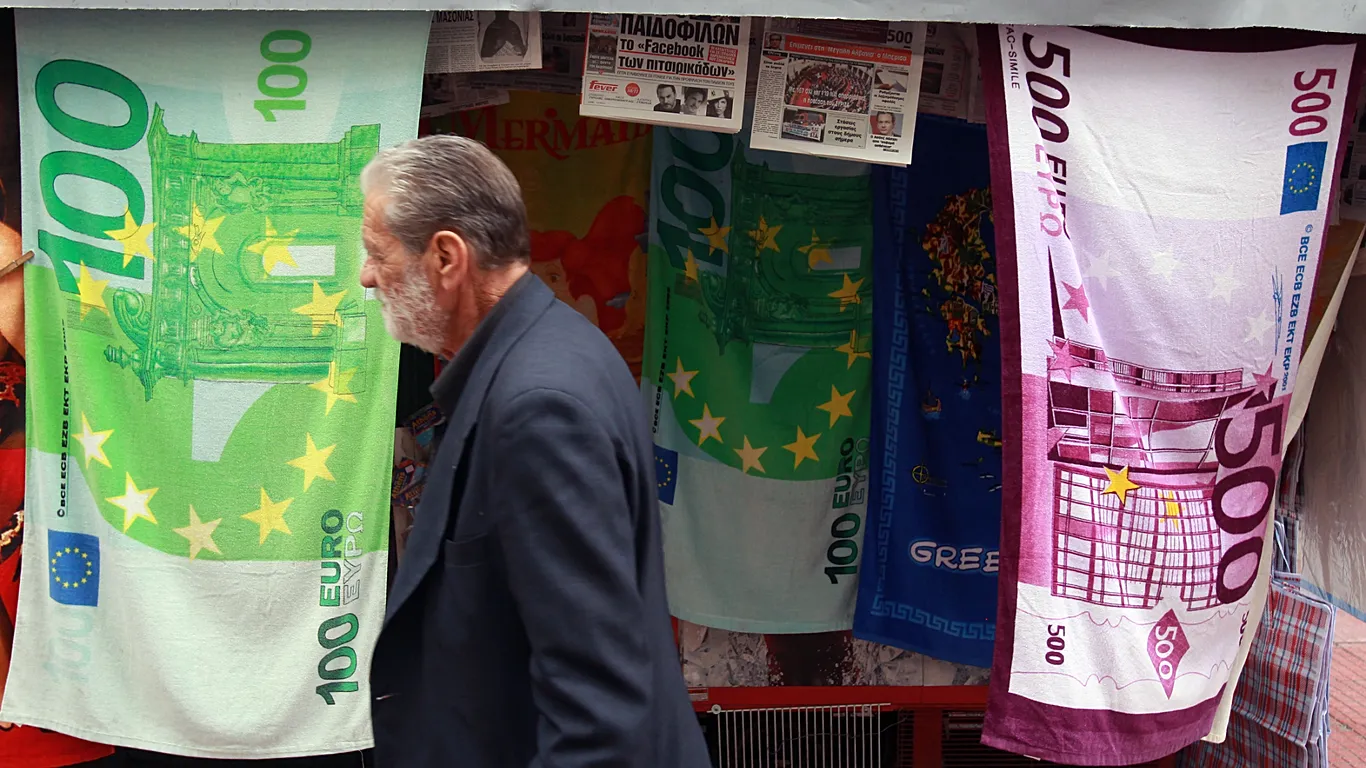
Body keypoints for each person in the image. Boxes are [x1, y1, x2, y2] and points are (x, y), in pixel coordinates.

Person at [362, 135, 709, 768]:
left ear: (446, 258)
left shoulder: (538, 407)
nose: (367, 276)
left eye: (377, 253)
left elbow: (598, 716)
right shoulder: (545, 351)